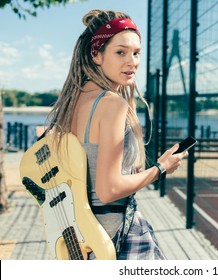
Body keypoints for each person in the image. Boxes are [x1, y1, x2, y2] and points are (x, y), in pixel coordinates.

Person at [45, 10, 187, 260]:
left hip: (80, 238)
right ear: (96, 54)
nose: (132, 61)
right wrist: (161, 168)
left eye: (136, 53)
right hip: (115, 236)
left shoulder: (72, 103)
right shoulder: (111, 104)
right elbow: (109, 189)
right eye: (120, 52)